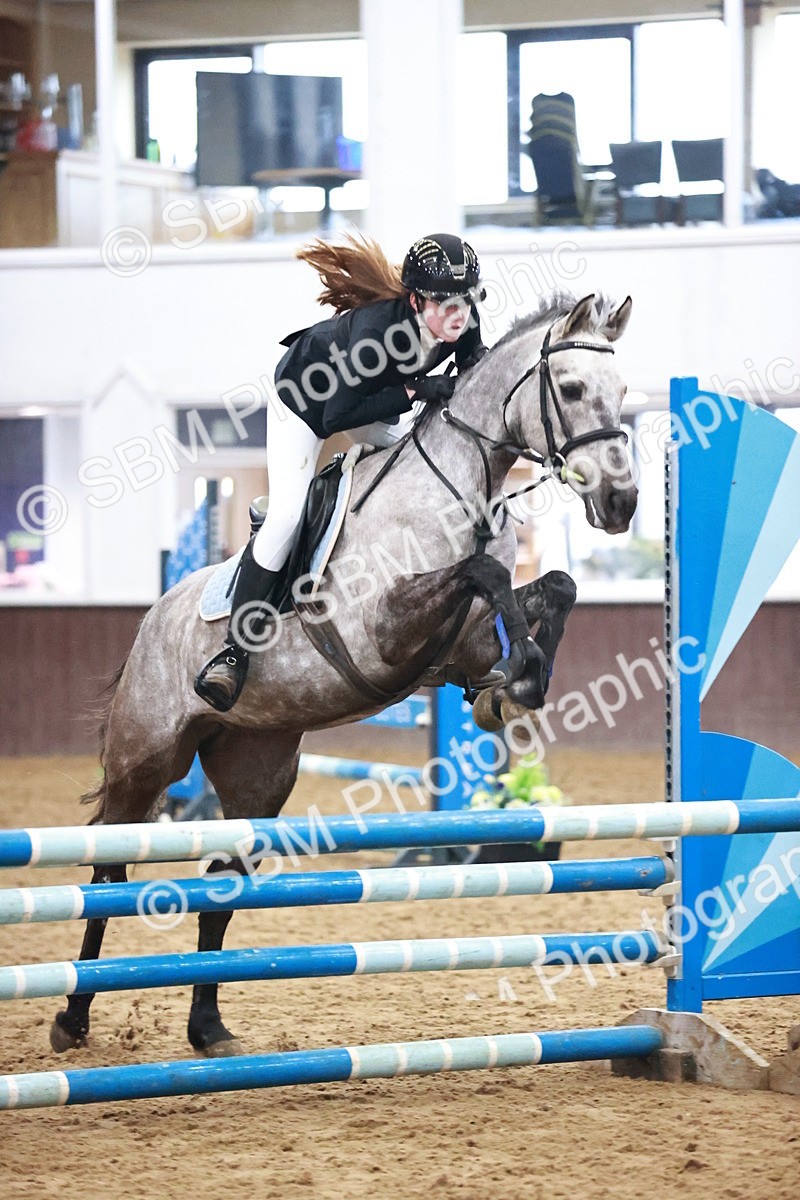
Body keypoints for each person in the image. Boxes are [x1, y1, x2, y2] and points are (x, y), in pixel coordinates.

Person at [194, 231, 488, 712]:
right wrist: (417, 390)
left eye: (467, 299)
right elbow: (337, 419)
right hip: (308, 403)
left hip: (371, 400)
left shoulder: (462, 318)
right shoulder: (375, 336)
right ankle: (234, 651)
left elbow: (476, 371)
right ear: (415, 301)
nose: (459, 314)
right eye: (444, 302)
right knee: (288, 516)